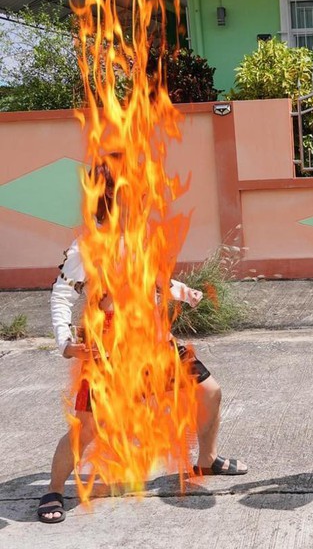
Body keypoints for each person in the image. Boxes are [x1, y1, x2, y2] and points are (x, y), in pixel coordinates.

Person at [38, 158, 247, 524]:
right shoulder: (85, 248)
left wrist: (185, 292)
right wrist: (65, 342)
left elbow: (155, 282)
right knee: (86, 428)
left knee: (209, 391)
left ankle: (207, 461)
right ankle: (54, 489)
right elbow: (61, 295)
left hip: (156, 344)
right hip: (112, 355)